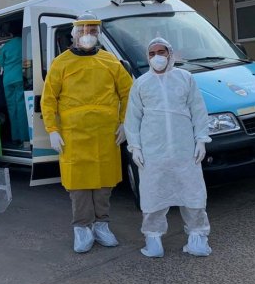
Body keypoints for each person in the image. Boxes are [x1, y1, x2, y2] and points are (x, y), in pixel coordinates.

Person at [41, 13, 132, 253]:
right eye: (82, 31)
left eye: (92, 31)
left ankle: (102, 224)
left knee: (104, 183)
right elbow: (49, 99)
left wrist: (125, 123)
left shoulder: (110, 61)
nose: (87, 35)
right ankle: (82, 227)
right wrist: (52, 129)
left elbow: (128, 92)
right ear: (74, 34)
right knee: (79, 185)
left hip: (106, 133)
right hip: (74, 135)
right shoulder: (61, 63)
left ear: (98, 34)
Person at [124, 37, 213, 258]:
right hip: (153, 153)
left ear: (170, 54)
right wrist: (135, 146)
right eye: (152, 53)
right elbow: (132, 118)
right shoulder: (141, 83)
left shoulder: (185, 78)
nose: (157, 57)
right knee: (154, 196)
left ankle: (198, 238)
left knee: (192, 194)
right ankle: (153, 240)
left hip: (185, 150)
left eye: (161, 52)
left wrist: (201, 139)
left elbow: (198, 110)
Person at [0, 25, 29, 145]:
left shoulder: (6, 47)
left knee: (12, 108)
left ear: (11, 34)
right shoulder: (25, 42)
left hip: (8, 80)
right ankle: (25, 137)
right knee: (21, 108)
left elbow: (1, 63)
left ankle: (15, 137)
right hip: (20, 78)